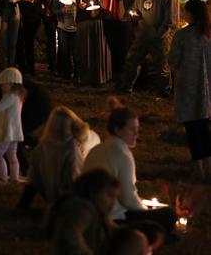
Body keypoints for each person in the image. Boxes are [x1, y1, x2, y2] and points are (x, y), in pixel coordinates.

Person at [83, 99, 177, 232]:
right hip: (112, 217)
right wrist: (147, 209)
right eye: (132, 129)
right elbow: (127, 200)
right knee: (169, 214)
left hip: (88, 213)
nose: (136, 134)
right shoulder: (122, 154)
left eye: (137, 129)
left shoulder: (97, 149)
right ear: (117, 130)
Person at [168, 0, 211, 180]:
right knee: (206, 129)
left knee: (193, 129)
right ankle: (208, 167)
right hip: (208, 90)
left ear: (191, 14)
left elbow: (172, 61)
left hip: (188, 88)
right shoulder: (208, 34)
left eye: (185, 10)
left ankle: (199, 169)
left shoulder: (182, 36)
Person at [17, 106, 90, 210]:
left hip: (54, 202)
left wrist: (22, 205)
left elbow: (32, 182)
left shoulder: (41, 148)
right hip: (73, 204)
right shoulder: (71, 150)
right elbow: (74, 181)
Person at [119, 0, 173, 97]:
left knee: (162, 67)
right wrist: (134, 15)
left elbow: (168, 20)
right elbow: (135, 9)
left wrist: (159, 34)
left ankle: (164, 92)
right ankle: (126, 88)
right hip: (142, 35)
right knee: (132, 60)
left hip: (159, 38)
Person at [47, 168, 120, 255]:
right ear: (93, 191)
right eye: (109, 195)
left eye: (115, 197)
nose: (113, 202)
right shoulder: (85, 209)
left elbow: (115, 230)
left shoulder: (97, 212)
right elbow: (69, 232)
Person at [76, 0, 112, 86]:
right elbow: (78, 6)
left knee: (98, 51)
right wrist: (81, 7)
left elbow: (106, 4)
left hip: (98, 23)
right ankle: (85, 77)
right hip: (85, 23)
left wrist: (98, 10)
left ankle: (99, 77)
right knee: (86, 50)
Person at [101, 0, 136, 80]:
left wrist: (127, 13)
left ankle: (123, 77)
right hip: (109, 20)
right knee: (112, 48)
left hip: (122, 21)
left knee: (123, 49)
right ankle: (115, 76)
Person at [17, 0, 41, 74]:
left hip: (34, 14)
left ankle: (31, 67)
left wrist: (35, 0)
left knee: (30, 40)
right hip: (23, 13)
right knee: (21, 40)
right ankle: (22, 65)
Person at [53, 0, 78, 80]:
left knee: (76, 51)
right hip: (63, 25)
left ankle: (77, 74)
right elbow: (54, 9)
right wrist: (60, 11)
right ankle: (66, 74)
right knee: (64, 51)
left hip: (76, 26)